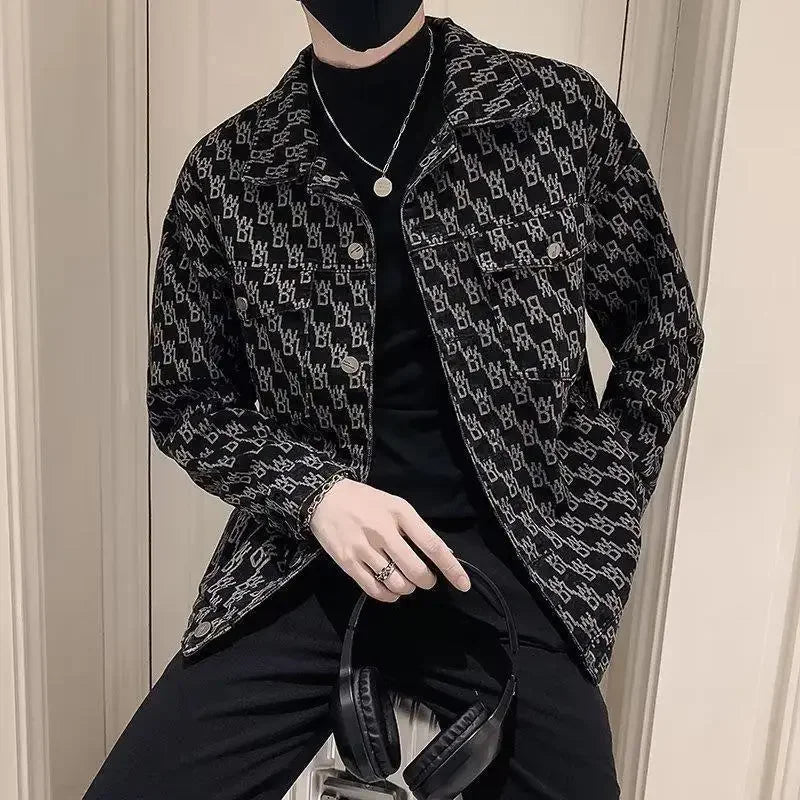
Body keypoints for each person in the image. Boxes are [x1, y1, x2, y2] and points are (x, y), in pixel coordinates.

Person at [84, 3, 704, 799]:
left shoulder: (554, 115)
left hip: (512, 570)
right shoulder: (230, 171)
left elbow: (662, 331)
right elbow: (186, 400)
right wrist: (315, 496)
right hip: (305, 566)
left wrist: (596, 519)